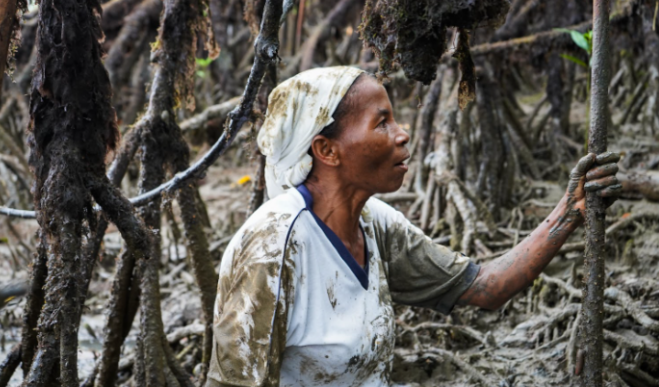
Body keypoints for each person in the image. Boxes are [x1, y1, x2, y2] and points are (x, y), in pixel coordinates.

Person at [206, 66, 621, 387]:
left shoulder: (374, 223)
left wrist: (570, 209)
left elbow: (486, 288)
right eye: (381, 122)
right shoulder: (272, 251)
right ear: (326, 149)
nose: (402, 135)